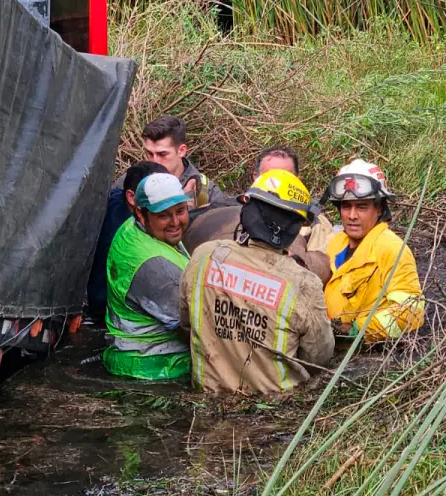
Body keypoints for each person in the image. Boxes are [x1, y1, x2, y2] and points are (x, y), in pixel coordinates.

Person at [180, 169, 334, 394]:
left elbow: (186, 323)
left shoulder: (204, 256)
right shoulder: (303, 283)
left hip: (207, 402)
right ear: (294, 228)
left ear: (247, 209)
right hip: (276, 410)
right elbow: (318, 358)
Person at [183, 146, 334, 284]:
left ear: (298, 181)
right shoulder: (224, 207)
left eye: (286, 177)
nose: (280, 184)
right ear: (255, 178)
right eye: (271, 177)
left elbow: (321, 273)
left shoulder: (315, 224)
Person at [104, 173, 192, 380]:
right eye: (163, 215)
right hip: (155, 367)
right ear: (141, 214)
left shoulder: (133, 228)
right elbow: (192, 330)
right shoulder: (154, 268)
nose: (174, 222)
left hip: (131, 357)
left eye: (180, 211)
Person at [324, 159, 425, 341]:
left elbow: (410, 313)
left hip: (363, 355)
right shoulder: (335, 244)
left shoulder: (391, 249)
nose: (352, 215)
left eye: (362, 207)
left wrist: (357, 329)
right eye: (346, 206)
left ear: (378, 209)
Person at [86, 162, 169, 318]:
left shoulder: (116, 199)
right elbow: (100, 293)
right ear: (131, 197)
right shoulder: (118, 232)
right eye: (159, 194)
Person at [113, 115, 224, 208]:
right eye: (150, 153)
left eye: (162, 154)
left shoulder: (205, 192)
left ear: (181, 151)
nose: (154, 161)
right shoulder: (131, 180)